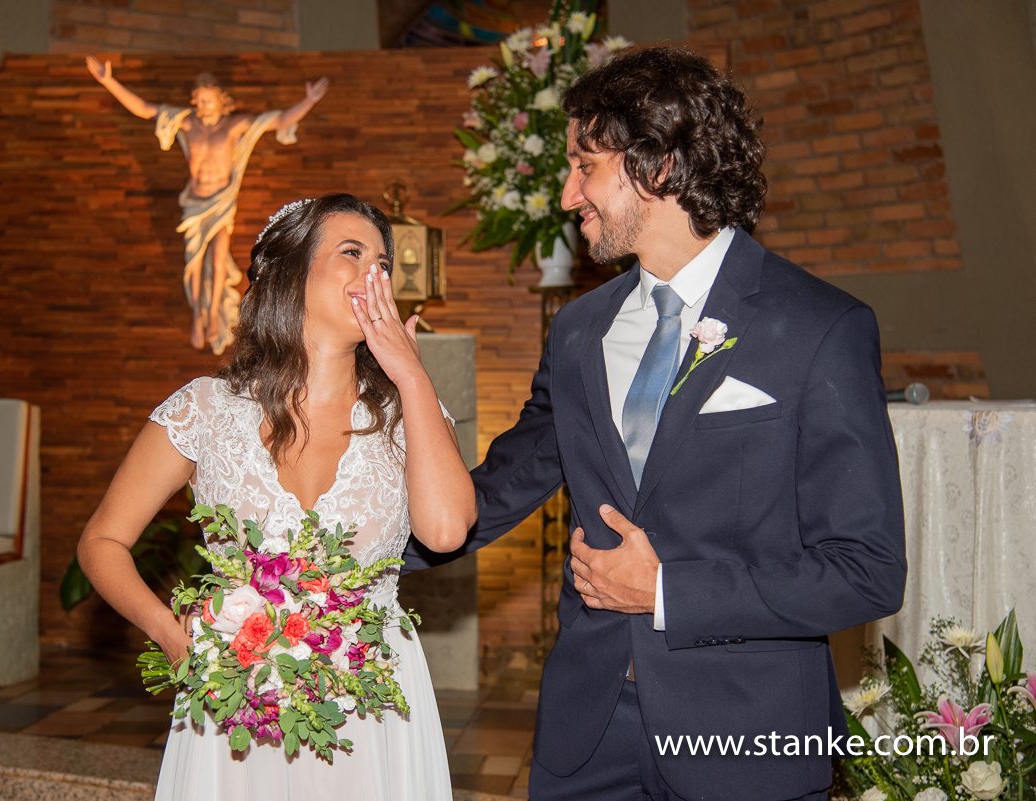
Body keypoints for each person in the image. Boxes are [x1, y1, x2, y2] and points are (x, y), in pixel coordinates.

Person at [405, 47, 907, 801]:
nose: (568, 192)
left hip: (746, 736)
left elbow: (867, 569)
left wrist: (668, 590)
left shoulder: (819, 328)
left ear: (659, 165)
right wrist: (353, 559)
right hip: (587, 731)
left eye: (584, 165)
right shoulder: (578, 332)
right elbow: (504, 485)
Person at [79, 193, 475, 800]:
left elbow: (446, 531)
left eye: (383, 264)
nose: (374, 274)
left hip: (371, 702)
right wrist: (170, 632)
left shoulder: (408, 413)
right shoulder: (206, 409)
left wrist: (413, 375)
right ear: (290, 271)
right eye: (352, 253)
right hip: (236, 697)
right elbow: (102, 542)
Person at [86, 56, 329, 354]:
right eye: (198, 99)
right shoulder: (186, 122)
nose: (202, 105)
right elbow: (145, 110)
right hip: (195, 203)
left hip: (221, 202)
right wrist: (107, 80)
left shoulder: (233, 124)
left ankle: (212, 316)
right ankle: (199, 316)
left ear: (220, 99)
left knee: (216, 257)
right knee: (194, 260)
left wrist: (308, 101)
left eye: (207, 99)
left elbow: (277, 120)